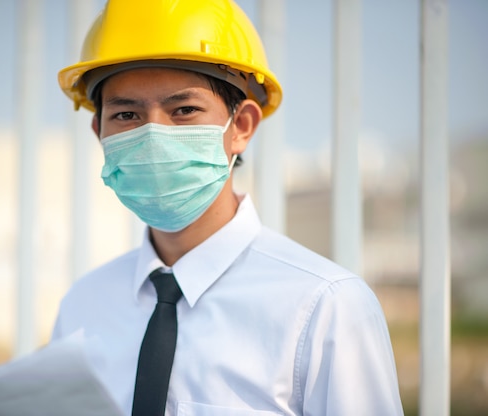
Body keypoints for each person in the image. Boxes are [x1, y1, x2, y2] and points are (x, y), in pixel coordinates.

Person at [52, 0, 404, 415]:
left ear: (241, 127)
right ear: (100, 133)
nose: (152, 135)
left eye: (184, 110)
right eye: (126, 114)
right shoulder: (83, 305)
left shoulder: (325, 307)